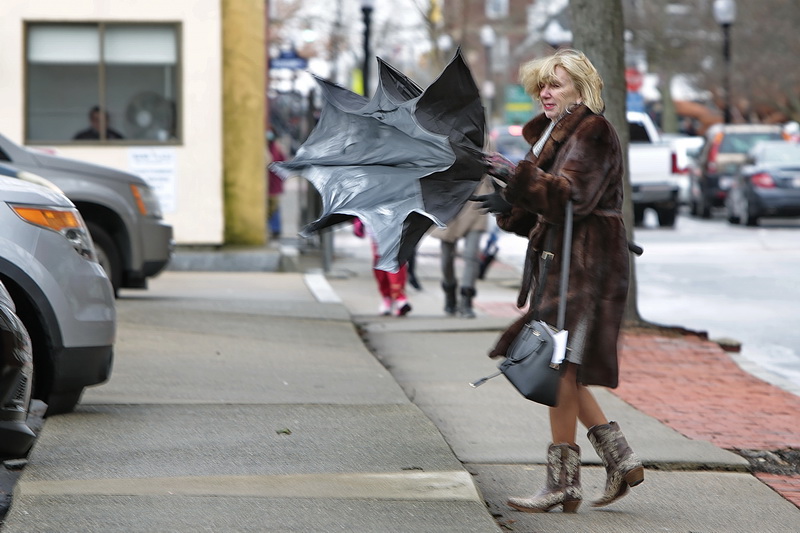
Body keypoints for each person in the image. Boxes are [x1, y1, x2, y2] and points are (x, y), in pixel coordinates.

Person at [473, 49, 643, 513]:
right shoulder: (551, 135)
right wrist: (505, 194)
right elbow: (539, 205)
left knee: (559, 367)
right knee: (562, 364)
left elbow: (572, 195)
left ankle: (563, 483)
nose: (545, 93)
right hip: (563, 261)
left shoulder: (594, 130)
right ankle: (620, 459)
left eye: (556, 84)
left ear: (581, 88)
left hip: (588, 264)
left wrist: (515, 176)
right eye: (541, 86)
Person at [430, 176, 491, 318]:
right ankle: (449, 291)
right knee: (446, 258)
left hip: (477, 203)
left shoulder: (488, 151)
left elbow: (496, 167)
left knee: (471, 255)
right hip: (451, 203)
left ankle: (466, 300)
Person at [352, 218, 412, 317]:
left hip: (395, 227)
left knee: (394, 261)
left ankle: (398, 297)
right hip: (375, 227)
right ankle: (388, 297)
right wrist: (358, 221)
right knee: (381, 265)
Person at [266, 129, 286, 239]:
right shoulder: (272, 148)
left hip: (273, 184)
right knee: (271, 207)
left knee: (273, 207)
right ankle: (273, 229)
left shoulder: (276, 148)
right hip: (270, 183)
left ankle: (275, 229)